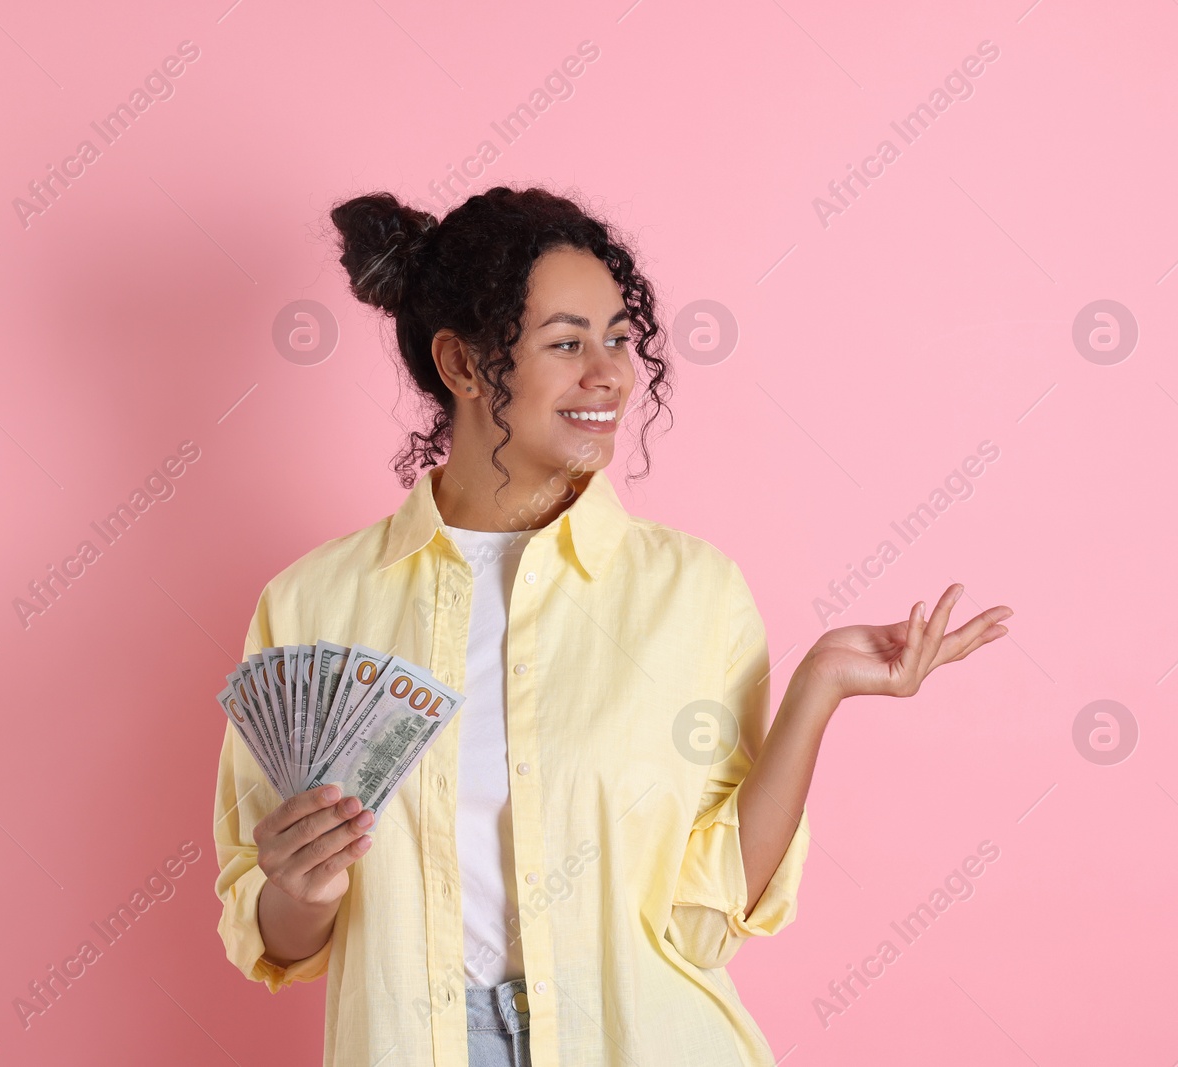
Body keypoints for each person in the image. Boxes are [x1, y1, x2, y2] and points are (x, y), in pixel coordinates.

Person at [212, 185, 1013, 1067]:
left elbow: (707, 921)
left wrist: (817, 688)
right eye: (567, 343)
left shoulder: (691, 592)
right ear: (464, 364)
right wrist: (301, 887)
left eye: (620, 339)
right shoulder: (313, 607)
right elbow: (277, 940)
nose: (611, 372)